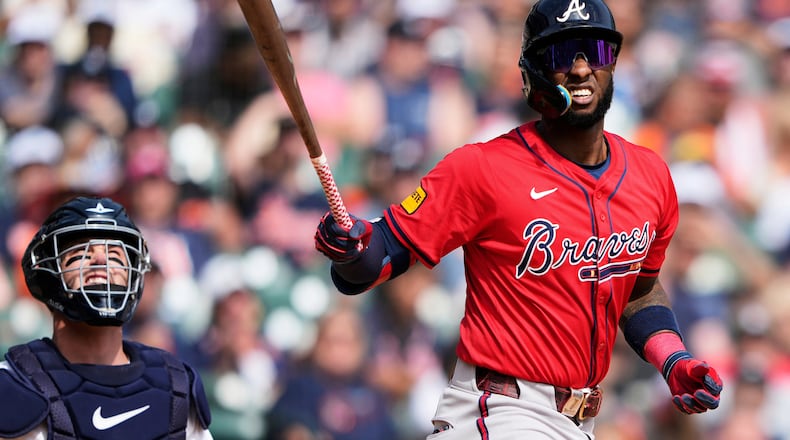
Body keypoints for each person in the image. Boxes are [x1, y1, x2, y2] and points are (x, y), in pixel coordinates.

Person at [314, 1, 723, 439]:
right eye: (563, 54)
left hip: (575, 421)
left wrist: (672, 357)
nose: (582, 68)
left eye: (595, 51)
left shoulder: (650, 176)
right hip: (501, 411)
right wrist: (351, 248)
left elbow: (636, 287)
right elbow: (380, 256)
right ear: (535, 74)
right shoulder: (483, 168)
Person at [0, 196, 212, 439]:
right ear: (49, 276)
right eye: (80, 253)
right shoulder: (16, 386)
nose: (100, 261)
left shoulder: (176, 387)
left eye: (114, 255)